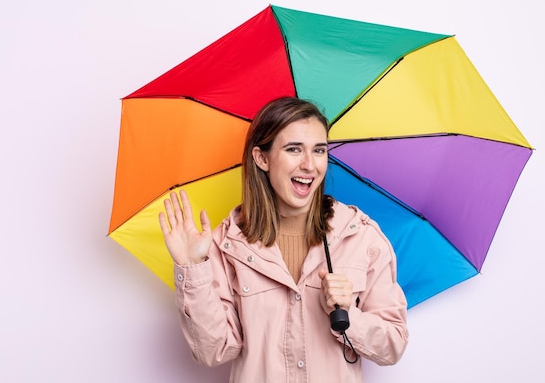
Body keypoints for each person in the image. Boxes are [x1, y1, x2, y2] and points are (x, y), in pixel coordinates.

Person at [159, 97, 408, 382]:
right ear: (261, 158)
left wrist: (349, 315)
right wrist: (193, 269)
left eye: (319, 150)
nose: (309, 165)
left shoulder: (360, 238)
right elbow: (212, 351)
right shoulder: (227, 245)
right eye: (293, 150)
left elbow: (393, 344)